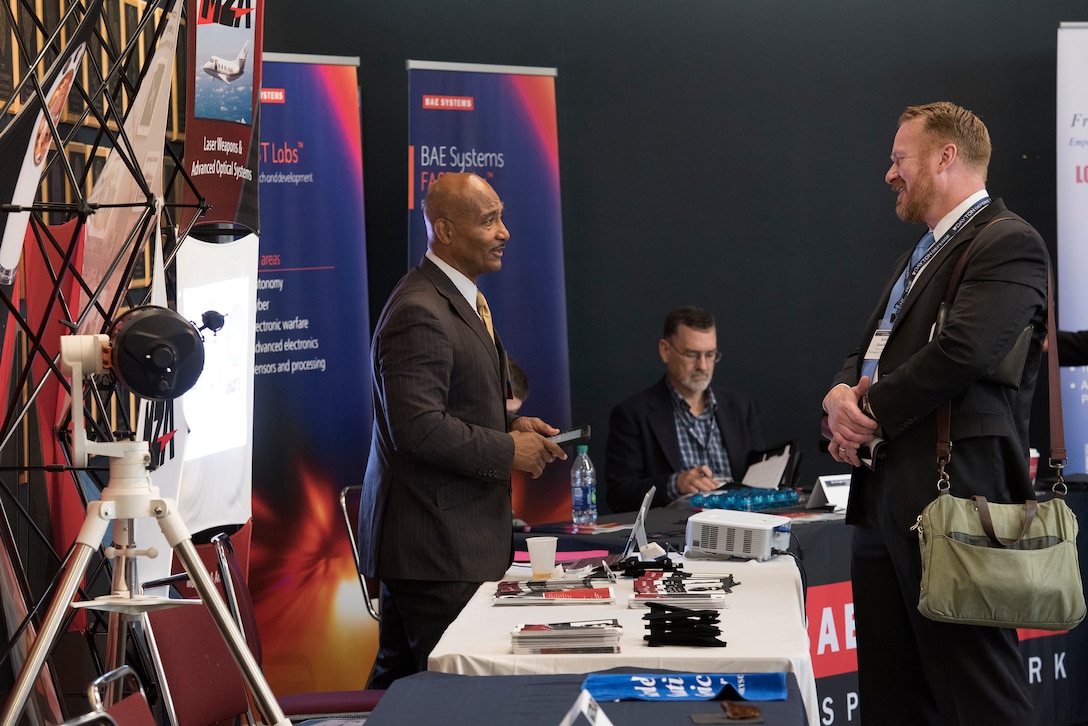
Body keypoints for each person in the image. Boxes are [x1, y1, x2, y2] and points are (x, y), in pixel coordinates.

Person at [822, 102, 1047, 725]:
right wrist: (838, 401)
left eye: (899, 160)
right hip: (884, 504)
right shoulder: (918, 255)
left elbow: (963, 350)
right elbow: (864, 350)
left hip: (958, 504)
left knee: (979, 697)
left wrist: (867, 409)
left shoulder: (1009, 242)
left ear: (946, 158)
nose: (888, 174)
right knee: (894, 702)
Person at [357, 172, 567, 687]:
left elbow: (455, 402)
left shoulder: (461, 300)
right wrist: (508, 450)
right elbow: (418, 427)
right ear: (446, 231)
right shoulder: (419, 311)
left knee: (400, 686)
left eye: (501, 217)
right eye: (489, 220)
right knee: (452, 697)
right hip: (435, 548)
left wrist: (513, 422)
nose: (505, 233)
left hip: (446, 542)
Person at [605, 305, 765, 512]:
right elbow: (619, 495)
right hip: (675, 535)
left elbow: (758, 474)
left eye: (710, 355)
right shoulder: (633, 414)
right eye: (692, 355)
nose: (703, 366)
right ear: (665, 350)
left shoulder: (740, 406)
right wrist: (677, 484)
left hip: (742, 523)